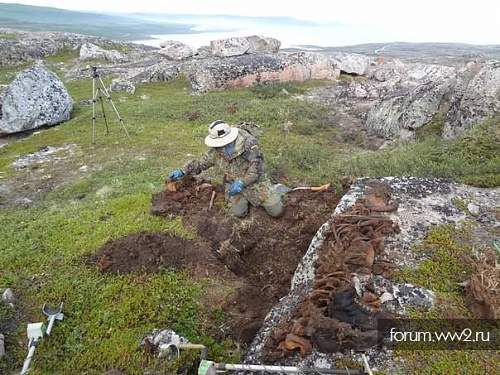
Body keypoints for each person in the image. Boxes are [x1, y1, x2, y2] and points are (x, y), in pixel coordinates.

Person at [167, 120, 284, 218]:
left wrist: (242, 182)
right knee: (238, 213)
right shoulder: (217, 150)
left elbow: (256, 170)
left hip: (255, 182)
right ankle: (245, 201)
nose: (220, 146)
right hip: (233, 184)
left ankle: (277, 188)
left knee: (276, 211)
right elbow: (201, 163)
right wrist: (183, 170)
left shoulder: (249, 144)